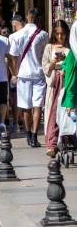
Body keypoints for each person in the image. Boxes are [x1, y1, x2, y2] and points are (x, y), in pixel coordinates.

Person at [9, 7, 49, 147]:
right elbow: (45, 54)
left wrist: (15, 73)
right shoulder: (43, 35)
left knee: (26, 106)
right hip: (39, 73)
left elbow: (13, 57)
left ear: (27, 17)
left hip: (23, 74)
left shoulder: (17, 35)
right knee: (37, 106)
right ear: (39, 19)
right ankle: (34, 136)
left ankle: (27, 134)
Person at [42, 20, 70, 157]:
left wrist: (67, 69)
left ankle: (64, 141)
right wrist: (54, 62)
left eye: (63, 34)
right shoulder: (49, 47)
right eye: (57, 34)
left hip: (67, 85)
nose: (60, 37)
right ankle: (52, 145)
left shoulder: (71, 47)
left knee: (66, 114)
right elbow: (45, 68)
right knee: (53, 113)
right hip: (54, 86)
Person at [8, 14, 25, 132]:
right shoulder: (32, 34)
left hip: (17, 71)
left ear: (14, 25)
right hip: (30, 71)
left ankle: (16, 122)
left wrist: (13, 73)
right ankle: (25, 121)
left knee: (16, 98)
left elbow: (11, 57)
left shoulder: (13, 37)